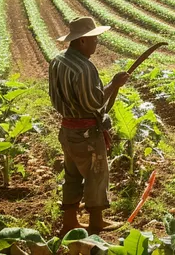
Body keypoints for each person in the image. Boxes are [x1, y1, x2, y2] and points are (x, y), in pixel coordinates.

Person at [48, 16, 130, 236]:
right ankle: (96, 223)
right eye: (94, 39)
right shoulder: (84, 68)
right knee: (96, 175)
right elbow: (94, 103)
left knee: (72, 174)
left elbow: (54, 97)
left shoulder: (57, 61)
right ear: (82, 40)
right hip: (86, 134)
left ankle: (70, 222)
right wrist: (114, 84)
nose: (97, 43)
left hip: (67, 130)